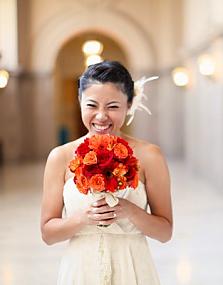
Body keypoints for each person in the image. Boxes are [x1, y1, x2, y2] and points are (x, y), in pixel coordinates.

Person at [41, 60, 173, 285]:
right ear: (80, 102)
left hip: (133, 268)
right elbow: (48, 234)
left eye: (113, 106)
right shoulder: (60, 157)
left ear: (129, 105)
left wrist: (131, 211)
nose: (101, 116)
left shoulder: (151, 156)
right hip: (81, 270)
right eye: (92, 105)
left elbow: (165, 232)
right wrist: (83, 218)